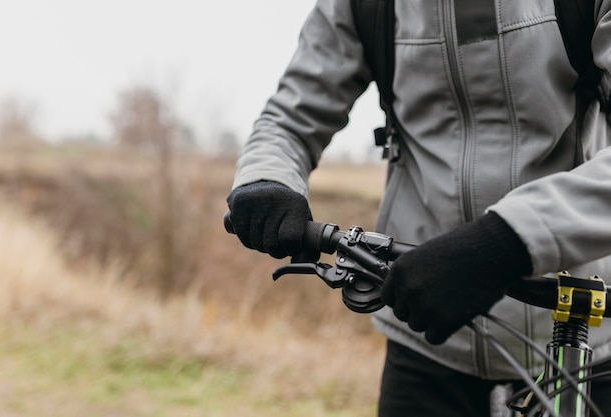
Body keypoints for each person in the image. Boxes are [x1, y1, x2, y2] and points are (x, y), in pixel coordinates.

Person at [226, 1, 611, 415]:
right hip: (423, 344)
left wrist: (506, 242)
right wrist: (268, 178)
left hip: (580, 341)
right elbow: (289, 118)